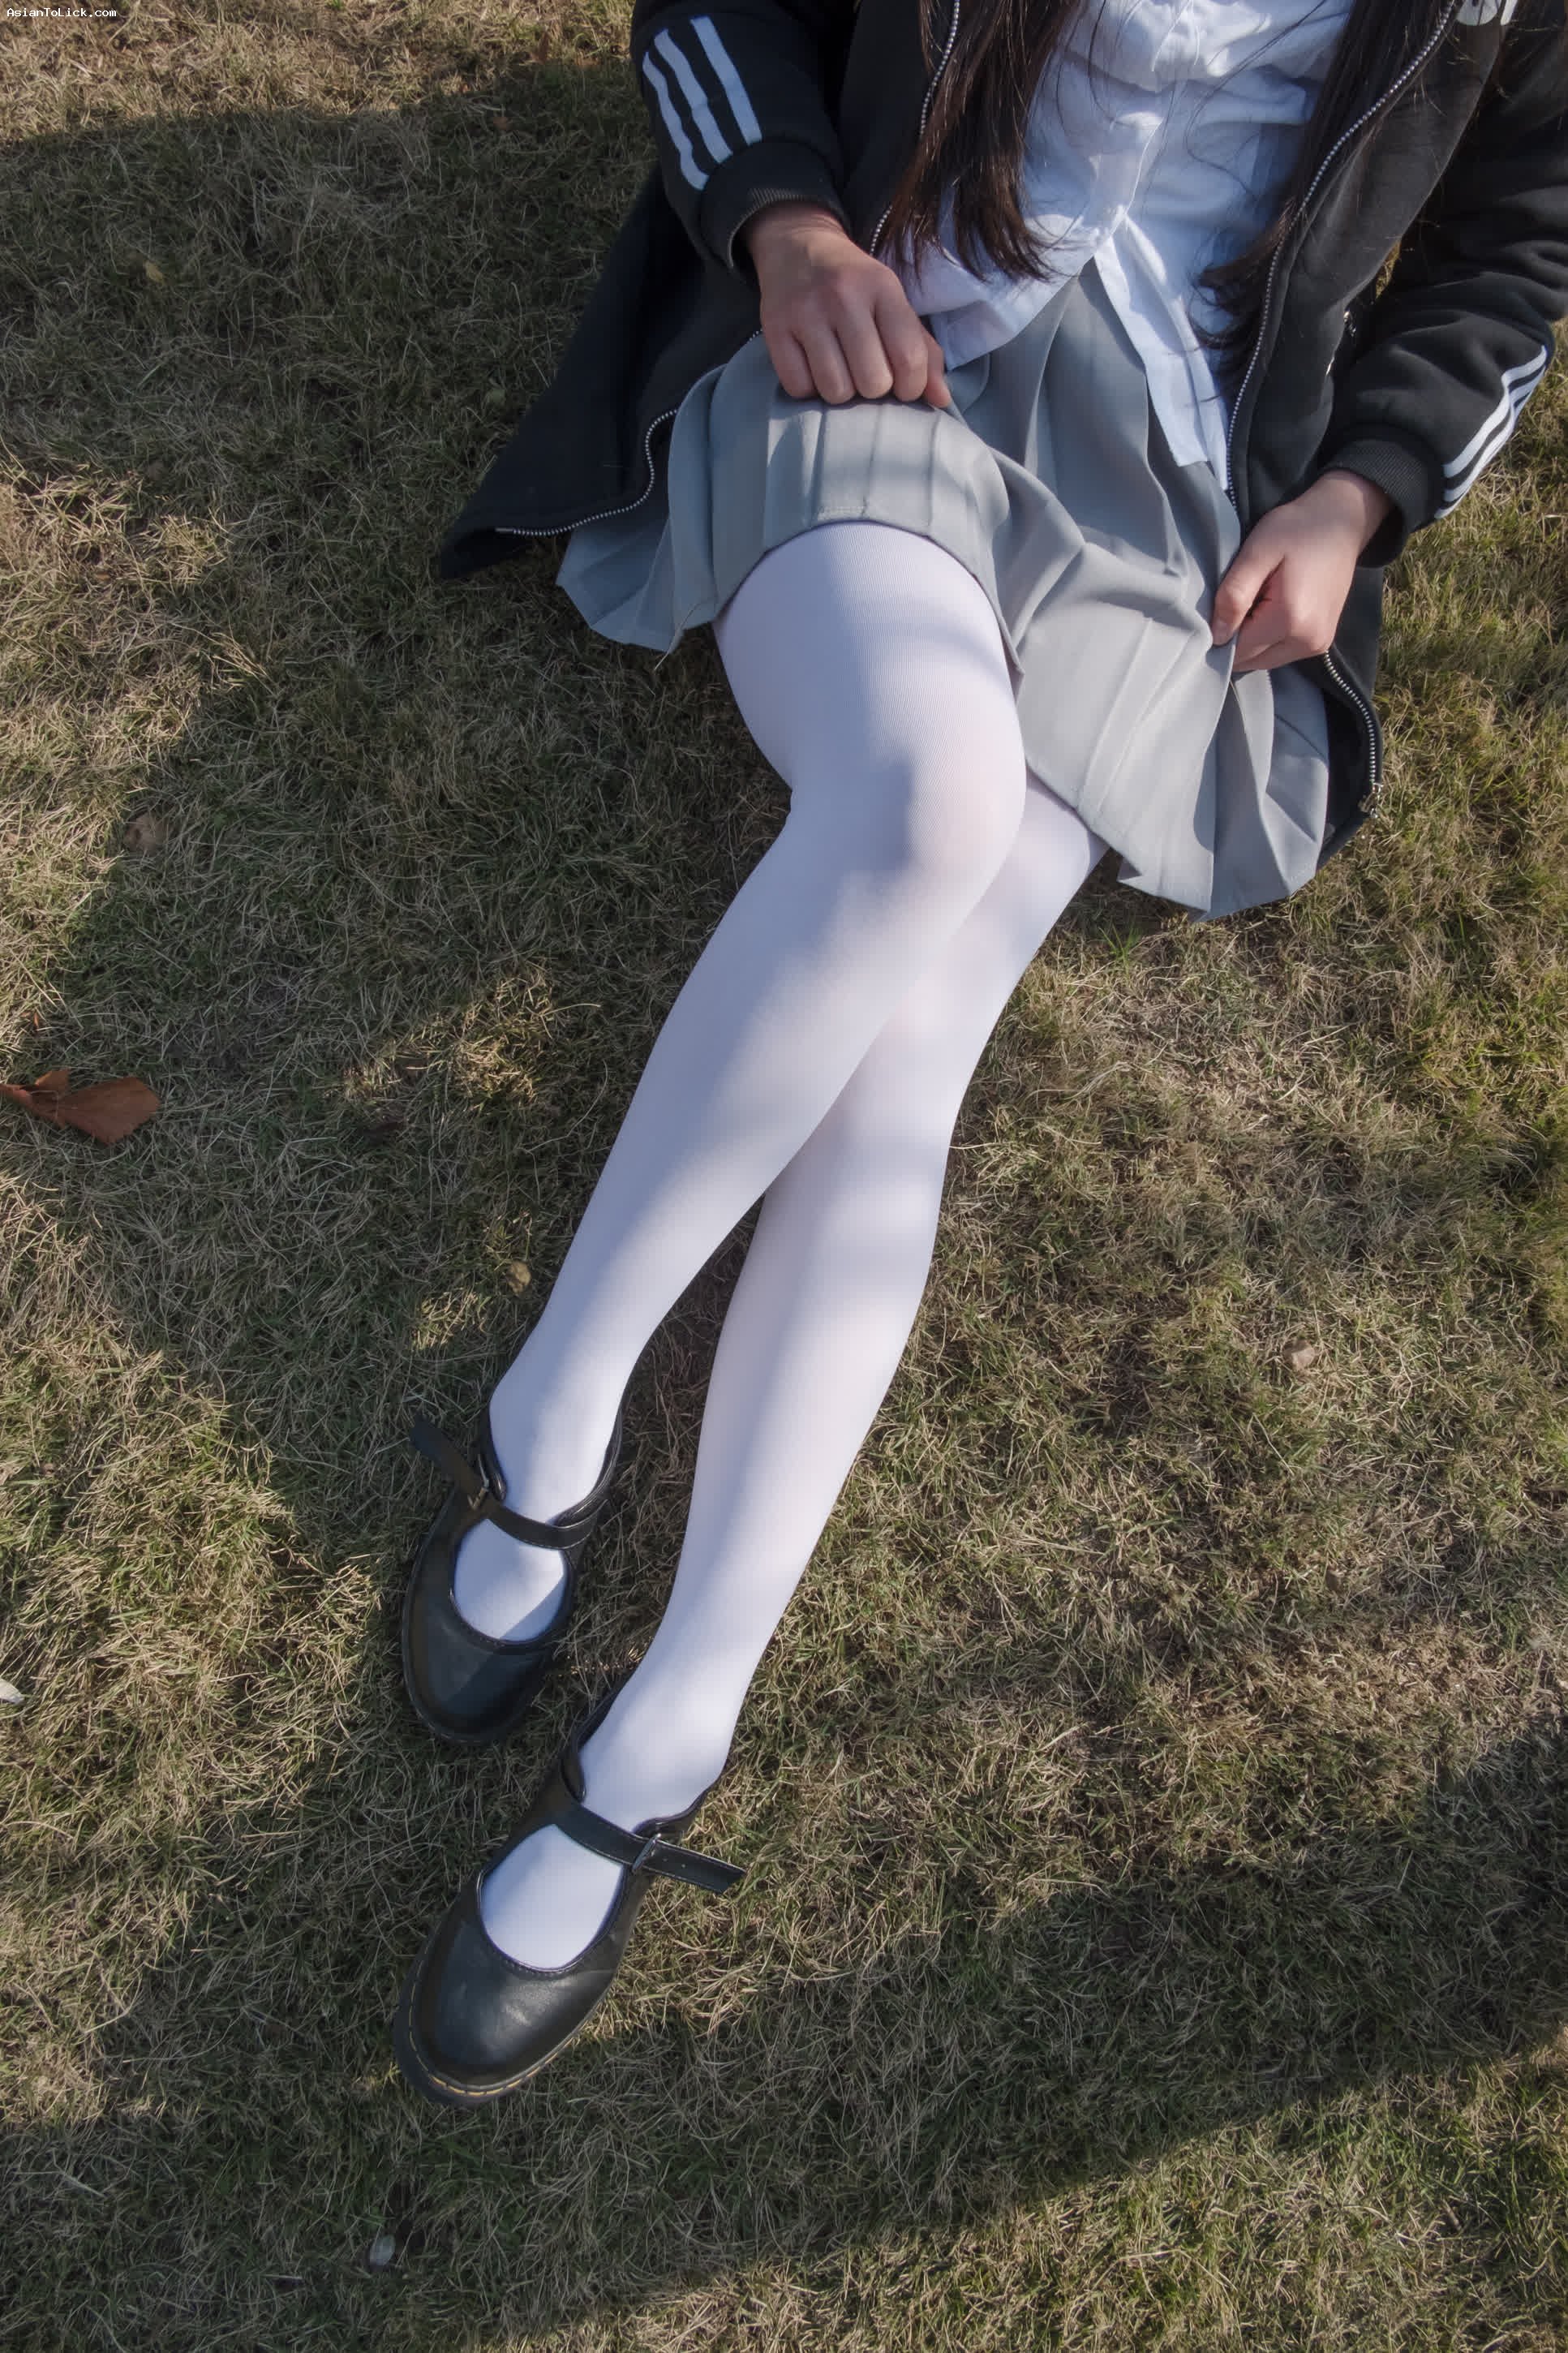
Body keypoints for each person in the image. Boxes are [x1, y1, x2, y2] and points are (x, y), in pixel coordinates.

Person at [392, 0, 1568, 2108]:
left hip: (1175, 469)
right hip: (883, 316)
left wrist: (1361, 492)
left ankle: (675, 1723)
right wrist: (783, 224)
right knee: (921, 800)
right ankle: (552, 1404)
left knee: (919, 1035)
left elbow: (1526, 231)